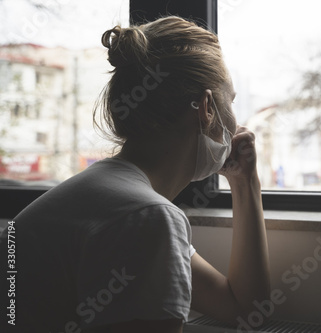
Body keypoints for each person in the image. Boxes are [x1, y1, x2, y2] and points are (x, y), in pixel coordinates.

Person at [0, 15, 270, 333]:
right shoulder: (147, 216)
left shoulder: (114, 197)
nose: (237, 122)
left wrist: (245, 182)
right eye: (231, 101)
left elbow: (242, 308)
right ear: (207, 108)